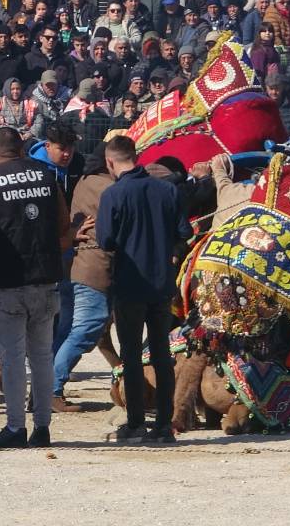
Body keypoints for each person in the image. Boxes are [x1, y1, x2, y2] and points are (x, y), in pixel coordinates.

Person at [0, 127, 68, 448]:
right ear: (22, 149)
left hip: (6, 279)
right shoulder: (48, 177)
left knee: (11, 358)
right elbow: (64, 226)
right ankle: (43, 427)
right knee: (42, 356)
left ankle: (15, 427)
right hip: (45, 277)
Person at [96, 135, 189, 443]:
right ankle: (164, 424)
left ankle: (136, 422)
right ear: (135, 156)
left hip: (129, 284)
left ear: (111, 162)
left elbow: (106, 241)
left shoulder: (113, 194)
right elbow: (184, 232)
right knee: (163, 355)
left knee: (132, 356)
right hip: (162, 283)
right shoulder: (167, 190)